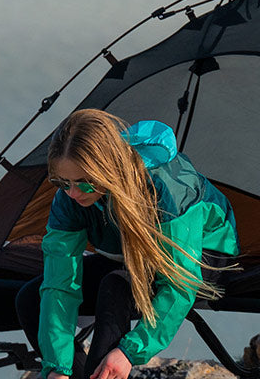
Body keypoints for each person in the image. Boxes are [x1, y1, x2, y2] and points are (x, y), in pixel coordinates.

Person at [15, 109, 238, 379]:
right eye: (62, 182)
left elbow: (180, 285)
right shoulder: (68, 199)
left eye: (85, 183)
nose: (73, 193)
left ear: (108, 169)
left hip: (202, 258)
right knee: (30, 299)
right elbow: (59, 285)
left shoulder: (166, 189)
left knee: (115, 287)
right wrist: (57, 367)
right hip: (132, 259)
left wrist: (129, 352)